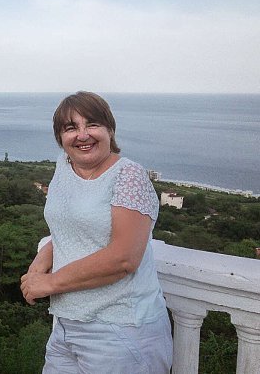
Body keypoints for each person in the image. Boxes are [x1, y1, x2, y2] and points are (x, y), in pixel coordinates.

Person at [20, 91, 172, 374]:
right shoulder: (64, 167)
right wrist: (42, 260)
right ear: (60, 138)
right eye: (71, 128)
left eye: (92, 124)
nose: (82, 135)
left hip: (120, 332)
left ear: (109, 130)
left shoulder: (129, 176)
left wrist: (49, 283)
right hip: (67, 327)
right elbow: (69, 226)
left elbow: (123, 259)